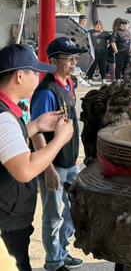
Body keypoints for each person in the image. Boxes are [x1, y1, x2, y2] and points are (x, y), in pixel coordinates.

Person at [0, 44, 74, 271]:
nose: (38, 77)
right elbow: (25, 170)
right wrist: (60, 139)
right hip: (7, 222)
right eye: (35, 72)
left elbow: (7, 143)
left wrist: (36, 125)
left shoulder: (6, 111)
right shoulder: (4, 117)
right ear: (20, 76)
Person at [30, 37, 87, 271]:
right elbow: (36, 132)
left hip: (70, 160)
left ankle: (62, 251)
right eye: (69, 58)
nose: (74, 62)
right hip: (53, 164)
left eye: (75, 58)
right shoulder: (46, 92)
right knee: (53, 214)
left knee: (74, 208)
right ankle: (54, 261)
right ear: (53, 62)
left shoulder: (68, 84)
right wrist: (48, 170)